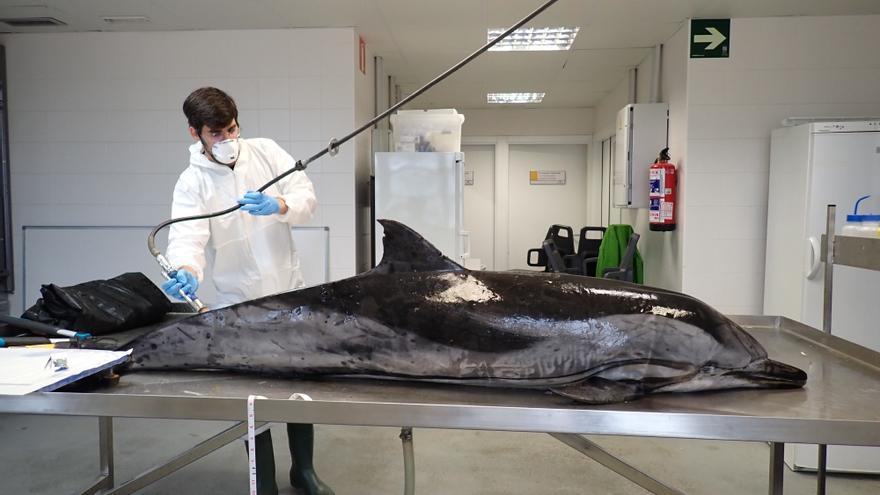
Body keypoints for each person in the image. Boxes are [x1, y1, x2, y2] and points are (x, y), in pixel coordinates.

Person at [161, 87, 332, 495]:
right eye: (216, 134)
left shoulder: (266, 151)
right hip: (239, 301)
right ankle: (265, 481)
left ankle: (303, 471)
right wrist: (186, 269)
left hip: (287, 292)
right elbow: (186, 236)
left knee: (297, 386)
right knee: (253, 399)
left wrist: (280, 206)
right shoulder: (192, 182)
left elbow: (306, 196)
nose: (227, 141)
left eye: (232, 129)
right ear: (194, 134)